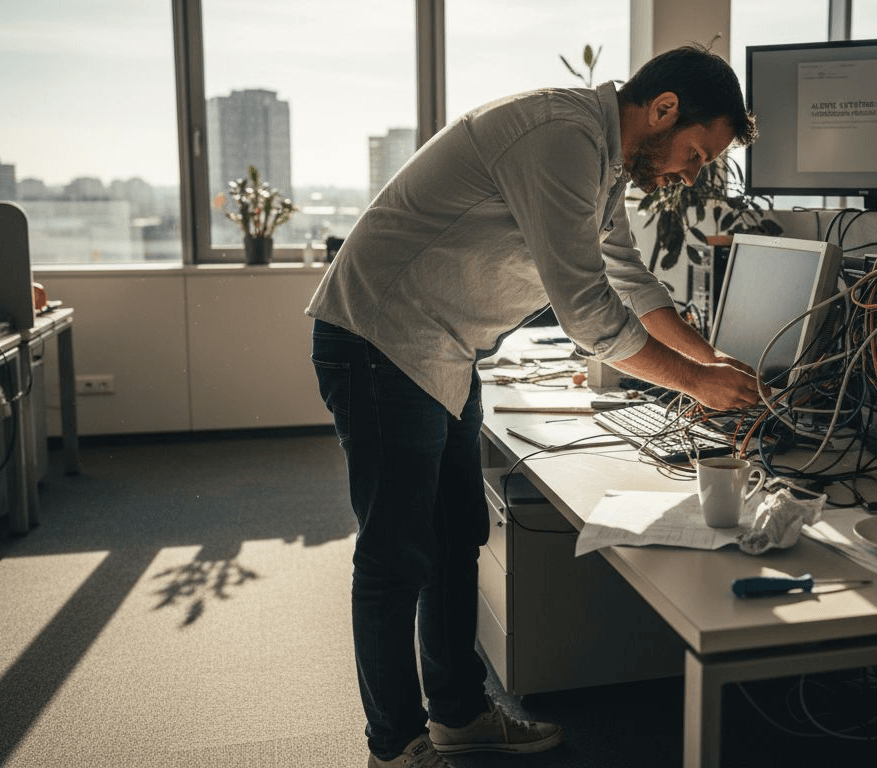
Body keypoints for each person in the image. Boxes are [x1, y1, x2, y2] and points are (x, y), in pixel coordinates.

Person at [307, 44, 762, 768]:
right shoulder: (561, 136)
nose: (690, 174)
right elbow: (587, 311)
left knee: (456, 535)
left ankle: (459, 716)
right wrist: (695, 385)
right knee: (397, 555)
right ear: (664, 109)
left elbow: (628, 279)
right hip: (381, 338)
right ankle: (393, 747)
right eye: (696, 154)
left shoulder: (603, 159)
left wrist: (708, 361)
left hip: (441, 347)